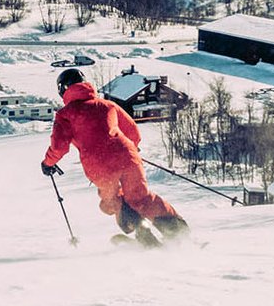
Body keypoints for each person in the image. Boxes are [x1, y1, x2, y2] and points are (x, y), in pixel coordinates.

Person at [40, 68, 188, 240]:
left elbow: (59, 146)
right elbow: (132, 131)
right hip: (128, 157)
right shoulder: (108, 105)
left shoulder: (65, 115)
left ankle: (143, 235)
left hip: (100, 166)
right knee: (141, 198)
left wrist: (47, 163)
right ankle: (179, 233)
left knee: (112, 201)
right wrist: (132, 150)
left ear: (62, 89)